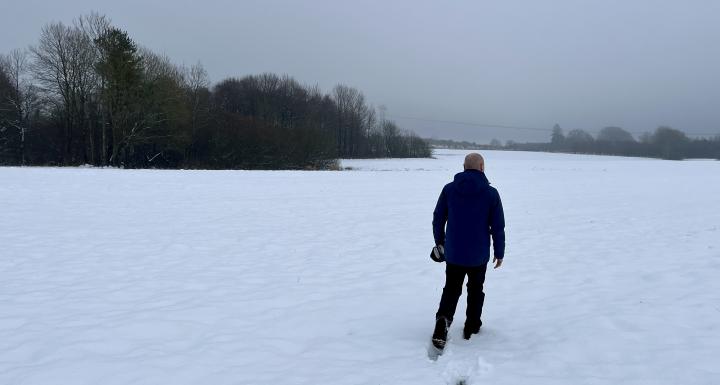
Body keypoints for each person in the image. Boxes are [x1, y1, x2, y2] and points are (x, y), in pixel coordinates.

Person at [431, 152, 505, 349]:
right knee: (475, 289)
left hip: (454, 252)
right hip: (478, 255)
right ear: (482, 167)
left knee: (451, 289)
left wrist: (440, 242)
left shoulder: (449, 189)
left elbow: (438, 217)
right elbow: (498, 226)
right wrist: (499, 252)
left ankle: (443, 321)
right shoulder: (491, 193)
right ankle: (471, 326)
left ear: (464, 167)